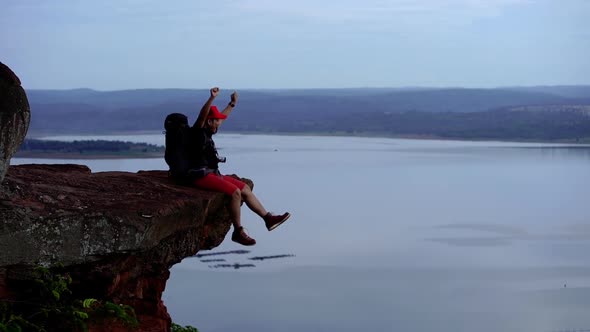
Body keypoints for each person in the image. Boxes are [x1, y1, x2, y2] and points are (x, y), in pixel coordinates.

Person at [189, 87, 290, 246]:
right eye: (216, 121)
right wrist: (211, 98)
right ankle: (238, 231)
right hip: (199, 176)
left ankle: (268, 218)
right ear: (209, 121)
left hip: (211, 173)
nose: (219, 124)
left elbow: (222, 118)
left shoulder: (209, 130)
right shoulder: (198, 131)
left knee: (244, 188)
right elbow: (203, 115)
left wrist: (232, 104)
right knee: (235, 193)